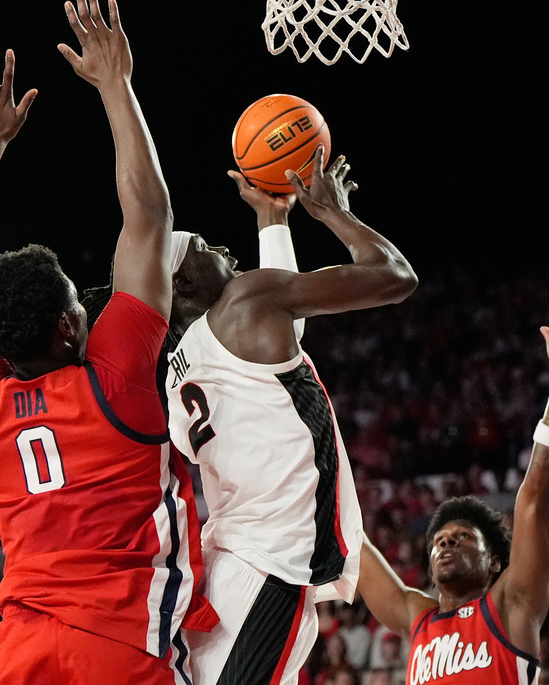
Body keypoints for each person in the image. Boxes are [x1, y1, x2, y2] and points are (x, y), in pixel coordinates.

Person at [0, 1, 214, 682]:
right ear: (67, 326)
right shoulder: (115, 380)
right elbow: (148, 218)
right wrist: (116, 85)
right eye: (76, 301)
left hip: (18, 651)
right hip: (118, 643)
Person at [164, 146, 418, 685]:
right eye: (206, 248)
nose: (224, 248)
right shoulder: (245, 303)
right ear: (183, 283)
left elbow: (286, 332)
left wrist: (273, 219)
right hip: (267, 561)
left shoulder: (174, 372)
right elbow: (395, 276)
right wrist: (332, 212)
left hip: (229, 564)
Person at [356, 291, 549, 685]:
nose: (446, 544)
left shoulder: (511, 602)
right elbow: (355, 545)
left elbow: (535, 493)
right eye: (440, 540)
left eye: (461, 538)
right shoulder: (417, 615)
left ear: (494, 561)